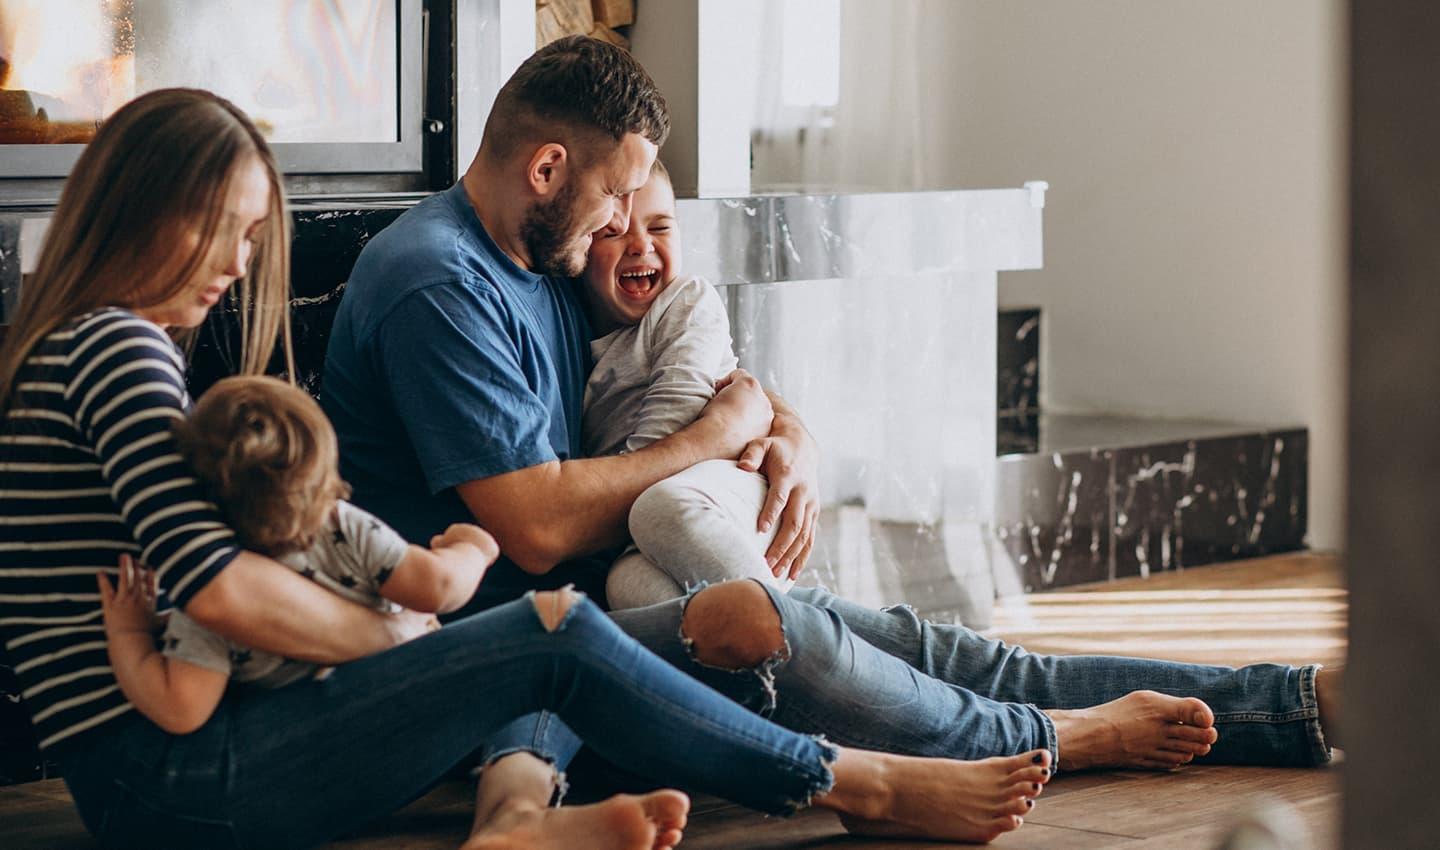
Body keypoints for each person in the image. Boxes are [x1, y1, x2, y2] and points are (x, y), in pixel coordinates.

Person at [321, 32, 1339, 829]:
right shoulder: (436, 283)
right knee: (798, 631)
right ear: (547, 168)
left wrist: (779, 425)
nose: (623, 220)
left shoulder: (538, 260)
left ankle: (1288, 701)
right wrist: (720, 432)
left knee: (924, 642)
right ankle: (1053, 738)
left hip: (611, 609)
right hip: (519, 657)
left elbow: (690, 367)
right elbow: (535, 529)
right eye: (614, 192)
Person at [0, 87, 1060, 850]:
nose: (238, 267)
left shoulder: (82, 345)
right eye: (224, 233)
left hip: (178, 760)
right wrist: (386, 634)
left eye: (250, 237)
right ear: (147, 210)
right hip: (183, 778)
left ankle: (523, 820)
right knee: (547, 626)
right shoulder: (118, 346)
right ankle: (857, 784)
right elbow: (217, 582)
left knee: (557, 625)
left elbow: (682, 365)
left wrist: (784, 423)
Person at [98, 375, 496, 733]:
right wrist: (473, 548)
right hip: (398, 726)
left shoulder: (209, 588)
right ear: (322, 472)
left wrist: (128, 633)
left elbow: (182, 709)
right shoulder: (343, 526)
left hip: (296, 751)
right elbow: (439, 587)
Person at [577, 159, 791, 609]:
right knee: (625, 587)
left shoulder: (687, 301)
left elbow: (672, 422)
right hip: (643, 520)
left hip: (729, 486)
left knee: (659, 509)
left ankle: (802, 639)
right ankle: (766, 659)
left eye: (660, 228)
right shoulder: (576, 333)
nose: (640, 245)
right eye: (613, 233)